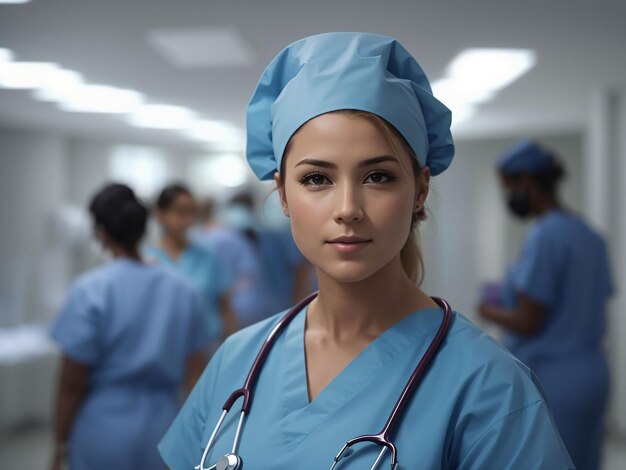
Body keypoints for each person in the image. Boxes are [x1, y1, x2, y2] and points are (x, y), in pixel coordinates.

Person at [159, 33, 573, 469]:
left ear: (420, 189)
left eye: (378, 177)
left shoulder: (490, 387)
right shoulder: (237, 361)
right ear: (282, 194)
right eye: (317, 179)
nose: (348, 209)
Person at [49, 183, 211, 470]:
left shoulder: (91, 291)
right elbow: (196, 376)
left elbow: (72, 381)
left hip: (103, 429)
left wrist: (60, 444)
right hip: (165, 428)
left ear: (101, 234)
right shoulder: (184, 290)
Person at [479, 139, 613, 470]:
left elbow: (528, 320)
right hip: (593, 372)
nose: (509, 197)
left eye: (509, 187)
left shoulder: (545, 236)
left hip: (555, 378)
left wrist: (487, 310)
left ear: (526, 181)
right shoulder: (588, 234)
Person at [146, 183, 237, 344]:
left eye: (191, 212)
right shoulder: (147, 259)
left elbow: (225, 308)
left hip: (207, 346)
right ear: (160, 214)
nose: (186, 219)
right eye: (179, 212)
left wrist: (236, 347)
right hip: (162, 349)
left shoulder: (207, 256)